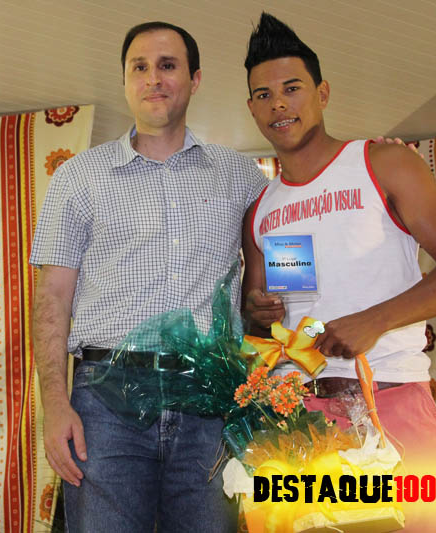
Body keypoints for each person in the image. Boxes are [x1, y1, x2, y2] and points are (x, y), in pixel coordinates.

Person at [241, 13, 436, 532]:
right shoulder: (263, 208)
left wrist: (374, 320)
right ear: (252, 109)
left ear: (323, 93)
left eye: (292, 88)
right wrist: (259, 312)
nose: (278, 103)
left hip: (392, 397)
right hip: (300, 418)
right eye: (263, 95)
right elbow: (269, 317)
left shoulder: (382, 163)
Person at [29, 21, 268, 532]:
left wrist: (367, 167)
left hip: (211, 401)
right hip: (104, 402)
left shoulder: (242, 176)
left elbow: (299, 221)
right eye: (139, 67)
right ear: (124, 81)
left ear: (195, 79)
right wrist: (54, 404)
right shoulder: (78, 177)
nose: (153, 78)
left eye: (168, 65)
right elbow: (51, 297)